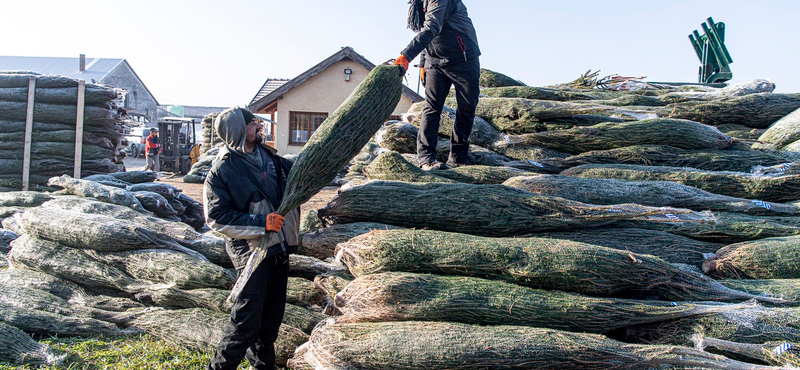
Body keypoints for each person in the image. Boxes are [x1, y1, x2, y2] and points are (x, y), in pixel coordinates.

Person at [204, 107, 300, 370]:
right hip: (252, 253)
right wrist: (261, 224)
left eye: (258, 122)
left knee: (270, 323)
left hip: (278, 248)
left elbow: (298, 179)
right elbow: (216, 217)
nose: (259, 127)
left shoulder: (271, 158)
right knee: (245, 322)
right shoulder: (223, 170)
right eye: (253, 123)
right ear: (237, 130)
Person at [394, 0, 481, 170]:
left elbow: (432, 26)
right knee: (432, 108)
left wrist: (405, 56)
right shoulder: (419, 3)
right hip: (434, 62)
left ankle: (458, 157)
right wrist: (423, 63)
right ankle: (426, 159)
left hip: (463, 59)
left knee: (466, 108)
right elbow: (426, 33)